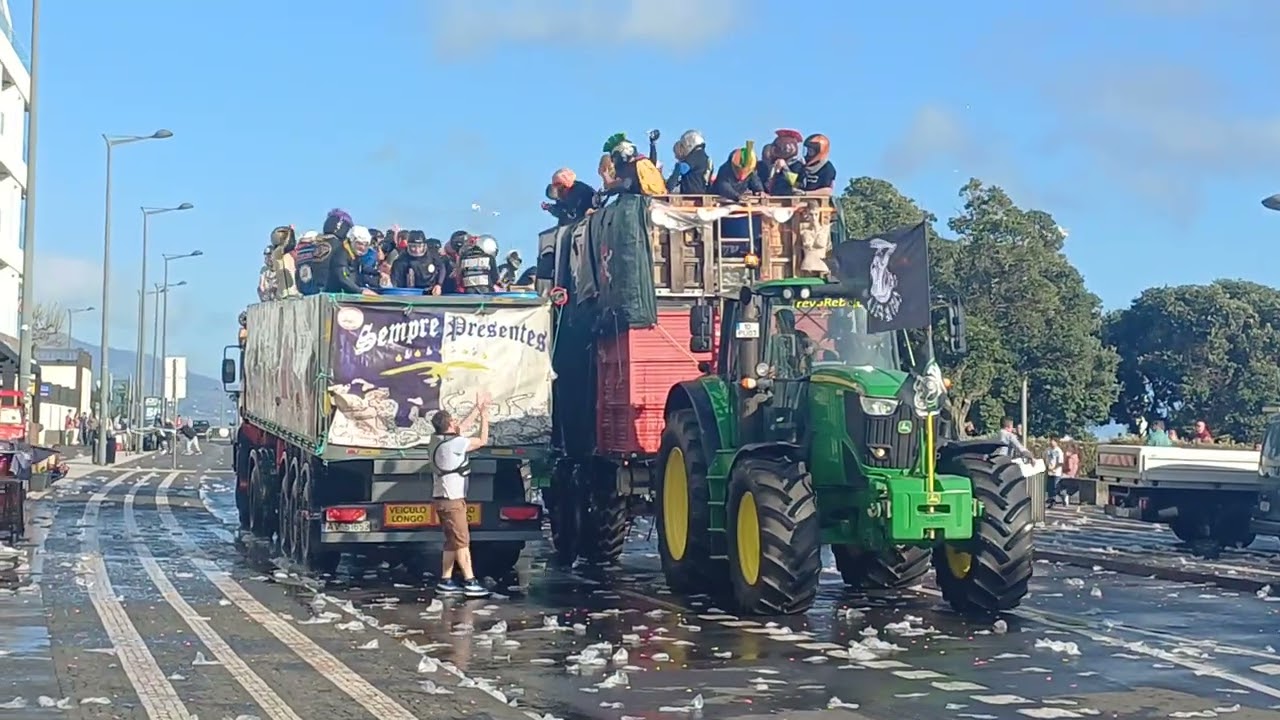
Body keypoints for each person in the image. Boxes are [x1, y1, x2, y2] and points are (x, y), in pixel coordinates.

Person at [428, 394, 492, 598]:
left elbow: (461, 428)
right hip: (453, 501)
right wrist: (484, 415)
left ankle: (445, 580)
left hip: (442, 499)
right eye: (454, 421)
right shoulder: (454, 444)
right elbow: (482, 440)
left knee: (451, 542)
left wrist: (476, 407)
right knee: (462, 541)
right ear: (449, 426)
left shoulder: (436, 440)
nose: (458, 423)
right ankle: (470, 581)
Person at [757, 129, 804, 195]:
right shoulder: (763, 165)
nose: (783, 148)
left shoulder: (797, 165)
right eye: (779, 145)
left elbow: (795, 183)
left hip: (784, 199)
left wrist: (785, 168)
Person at [665, 130, 712, 195]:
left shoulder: (696, 156)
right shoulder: (705, 157)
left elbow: (682, 169)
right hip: (703, 191)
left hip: (691, 193)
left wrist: (668, 186)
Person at [1044, 437, 1064, 507]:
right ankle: (1051, 499)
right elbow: (1044, 458)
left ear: (1056, 442)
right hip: (1049, 471)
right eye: (1050, 441)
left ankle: (1054, 500)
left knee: (1055, 487)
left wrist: (1054, 468)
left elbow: (1060, 462)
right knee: (1049, 487)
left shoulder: (1058, 451)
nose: (1050, 442)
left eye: (1052, 441)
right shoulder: (1047, 450)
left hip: (1056, 472)